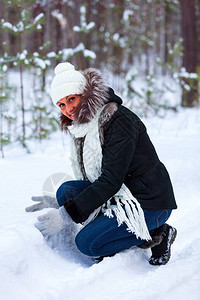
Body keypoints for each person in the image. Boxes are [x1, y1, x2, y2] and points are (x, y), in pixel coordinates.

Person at [26, 62, 177, 266]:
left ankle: (158, 231)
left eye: (72, 99)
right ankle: (108, 225)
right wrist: (64, 205)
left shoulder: (118, 120)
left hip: (149, 201)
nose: (68, 109)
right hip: (122, 192)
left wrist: (65, 214)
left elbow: (110, 181)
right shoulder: (83, 124)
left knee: (88, 244)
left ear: (85, 93)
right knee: (65, 192)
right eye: (61, 104)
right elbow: (97, 180)